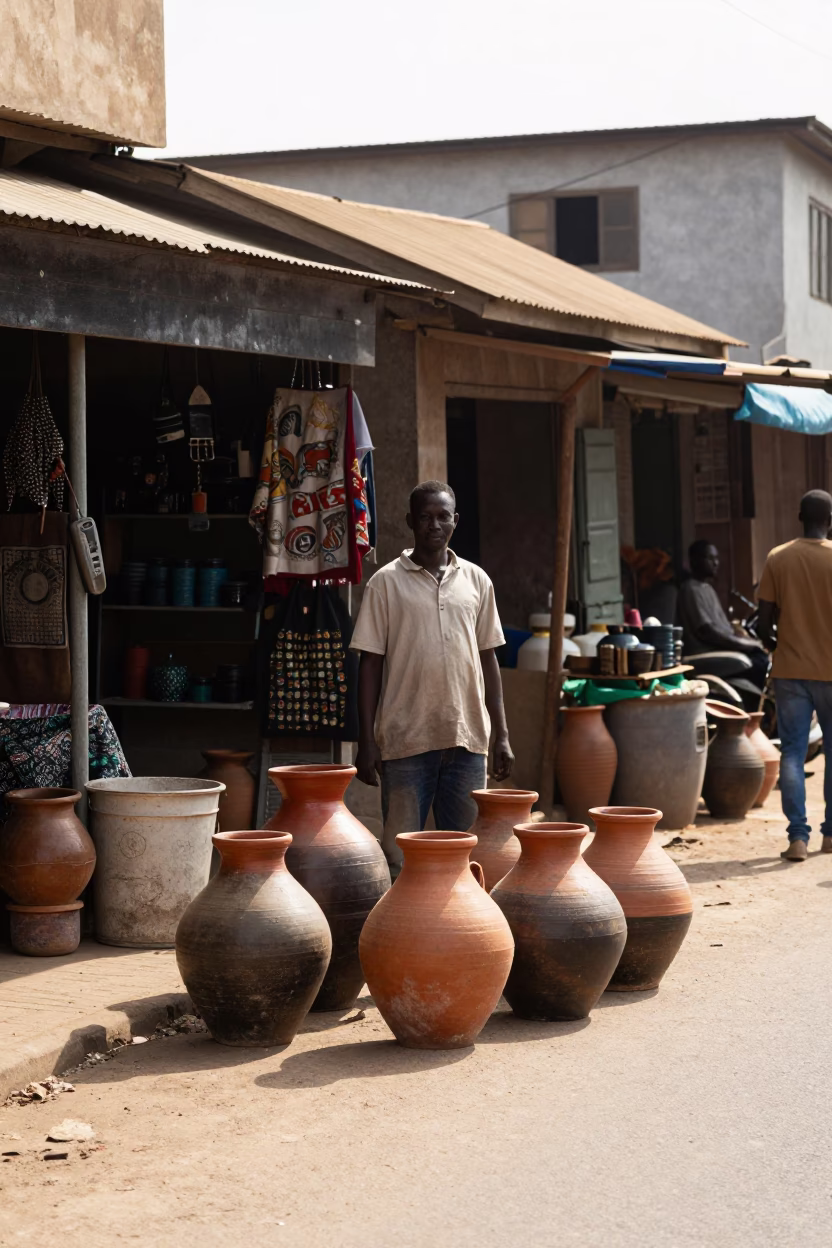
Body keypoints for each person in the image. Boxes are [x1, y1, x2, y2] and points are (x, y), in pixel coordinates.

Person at [350, 480, 514, 870]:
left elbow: (488, 658)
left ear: (455, 521)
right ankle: (400, 931)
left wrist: (502, 734)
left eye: (443, 516)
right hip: (406, 741)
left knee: (465, 855)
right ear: (410, 521)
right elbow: (369, 665)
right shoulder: (385, 584)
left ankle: (461, 931)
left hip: (467, 739)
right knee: (399, 856)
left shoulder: (477, 581)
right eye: (425, 517)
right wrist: (366, 741)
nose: (434, 525)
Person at [757, 489, 832, 862]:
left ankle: (797, 838)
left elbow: (763, 622)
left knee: (792, 753)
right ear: (830, 520)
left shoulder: (778, 558)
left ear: (799, 516)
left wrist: (779, 645)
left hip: (790, 672)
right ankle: (831, 835)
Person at [676, 540, 767, 688]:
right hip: (704, 652)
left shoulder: (707, 589)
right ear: (694, 560)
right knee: (759, 663)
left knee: (762, 657)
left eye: (716, 558)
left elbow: (723, 629)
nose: (716, 563)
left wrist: (743, 638)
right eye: (710, 558)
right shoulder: (690, 589)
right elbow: (707, 632)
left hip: (718, 649)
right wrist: (743, 644)